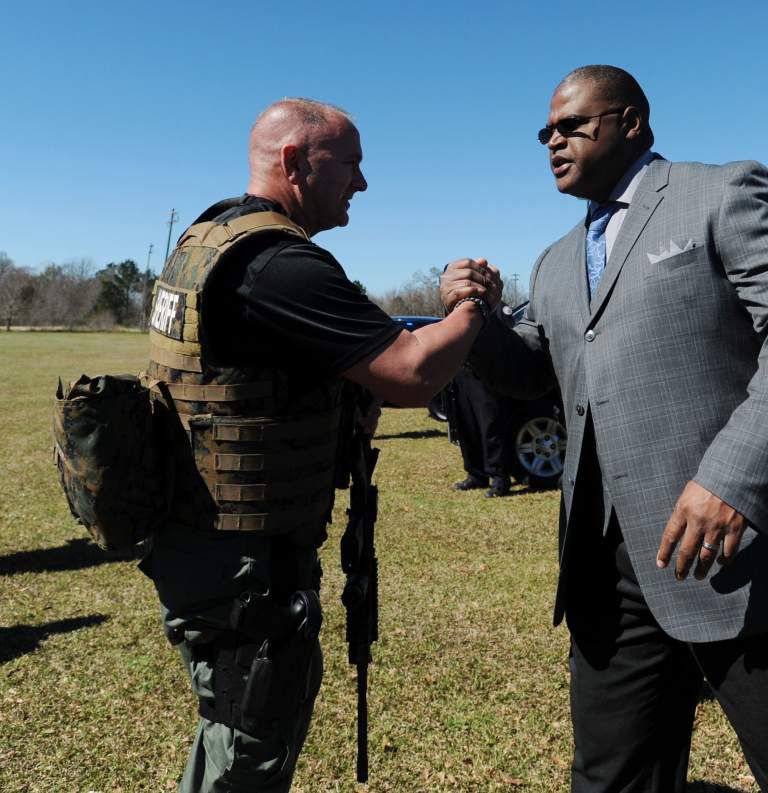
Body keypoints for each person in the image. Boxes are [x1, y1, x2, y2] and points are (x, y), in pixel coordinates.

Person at [441, 66, 768, 792]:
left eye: (572, 126)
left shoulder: (720, 192)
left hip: (733, 544)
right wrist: (476, 319)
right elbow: (537, 372)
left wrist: (734, 478)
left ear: (632, 123)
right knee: (613, 772)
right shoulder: (556, 262)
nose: (552, 141)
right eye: (545, 133)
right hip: (606, 559)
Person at [141, 98, 501, 793]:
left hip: (202, 540)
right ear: (295, 162)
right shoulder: (279, 264)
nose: (362, 184)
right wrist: (473, 306)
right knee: (248, 746)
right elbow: (411, 371)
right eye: (352, 165)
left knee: (234, 727)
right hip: (243, 561)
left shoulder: (213, 236)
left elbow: (337, 353)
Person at [450, 306, 515, 497]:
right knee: (466, 425)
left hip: (486, 375)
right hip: (462, 373)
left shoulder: (494, 306)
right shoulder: (456, 308)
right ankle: (475, 474)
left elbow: (506, 338)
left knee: (491, 427)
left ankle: (499, 477)